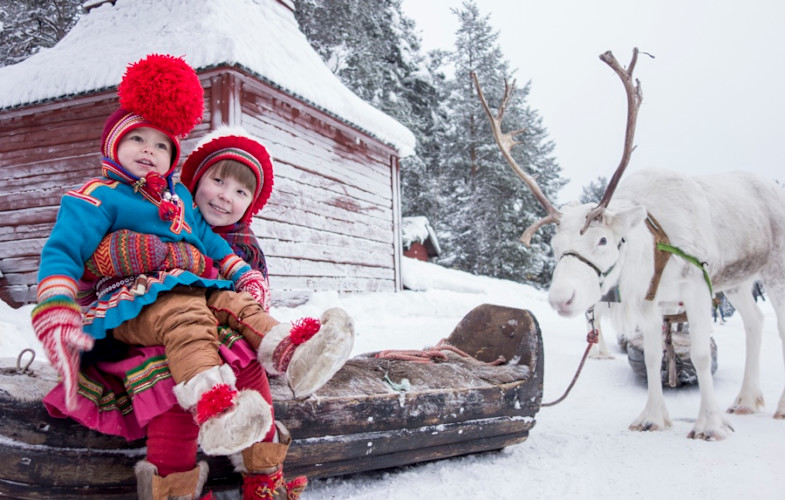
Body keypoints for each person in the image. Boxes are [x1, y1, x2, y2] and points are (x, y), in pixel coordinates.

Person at [33, 54, 353, 499]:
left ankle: (293, 354)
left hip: (196, 298)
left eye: (161, 145)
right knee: (185, 318)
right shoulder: (97, 196)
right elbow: (64, 251)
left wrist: (242, 276)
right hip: (134, 304)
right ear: (112, 145)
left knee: (232, 307)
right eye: (137, 139)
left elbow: (214, 245)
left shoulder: (179, 199)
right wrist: (56, 303)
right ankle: (212, 407)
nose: (149, 150)